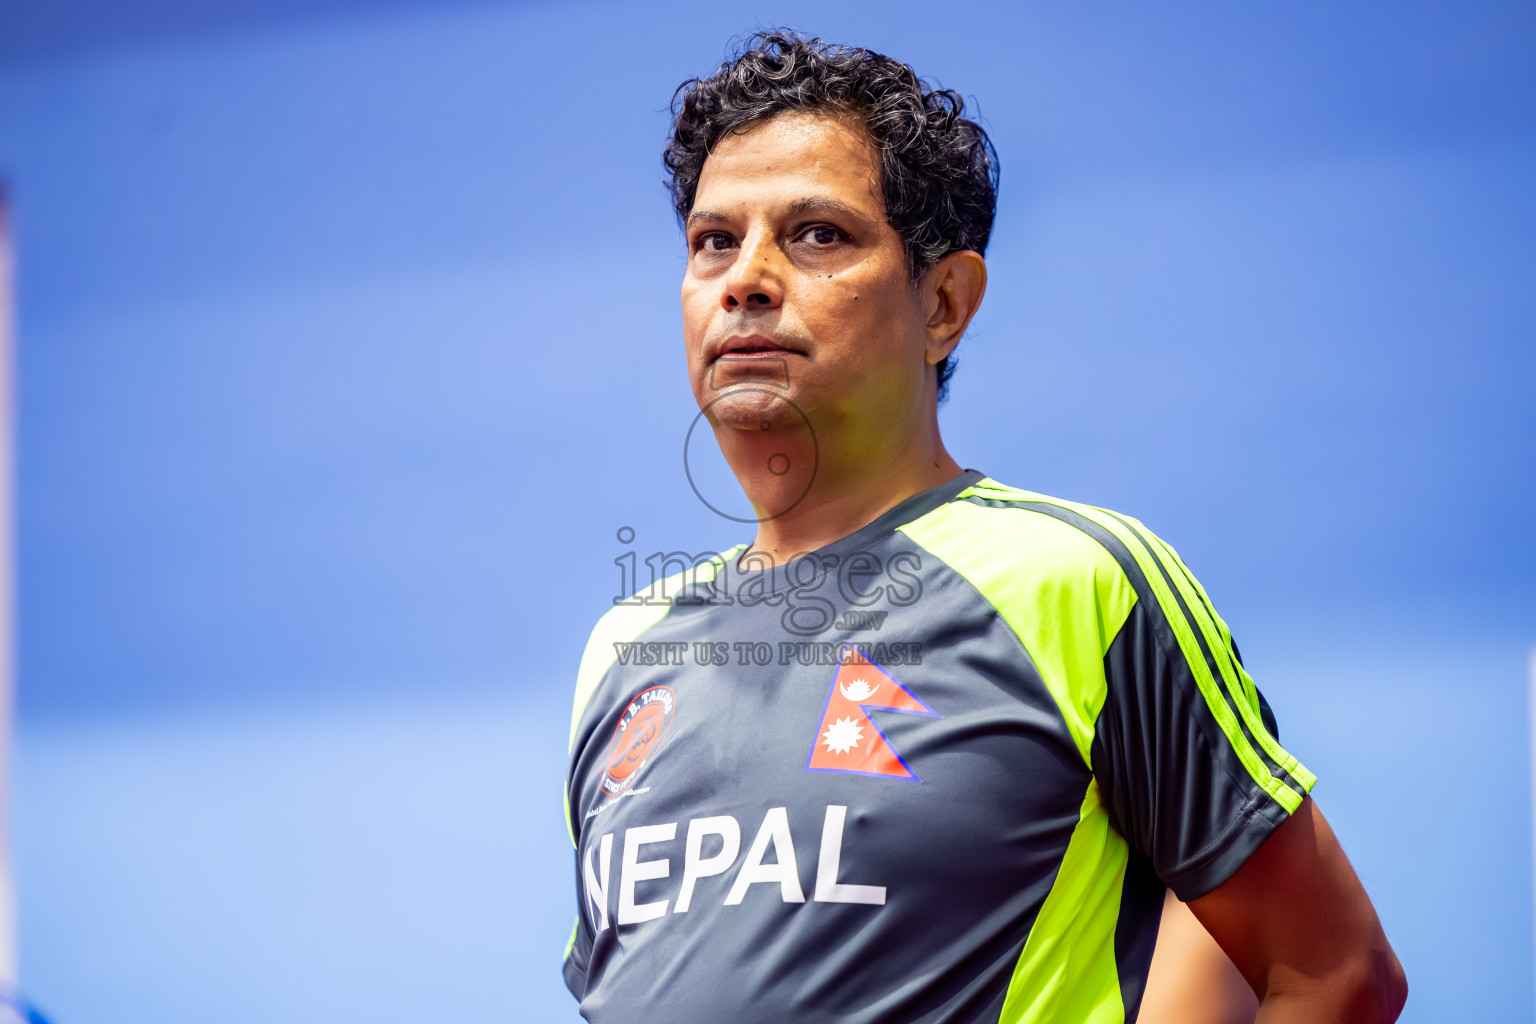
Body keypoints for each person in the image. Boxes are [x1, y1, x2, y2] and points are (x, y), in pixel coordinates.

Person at [562, 31, 1406, 1024]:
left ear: (946, 303)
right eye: (714, 240)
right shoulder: (624, 649)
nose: (745, 278)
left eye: (817, 234)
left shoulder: (1076, 581)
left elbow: (1334, 974)